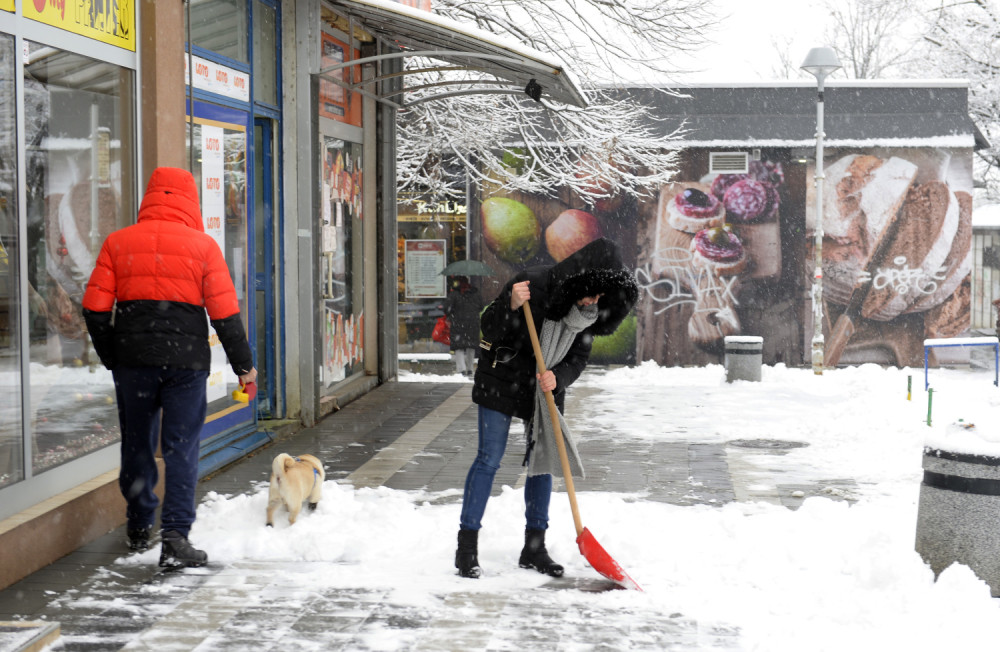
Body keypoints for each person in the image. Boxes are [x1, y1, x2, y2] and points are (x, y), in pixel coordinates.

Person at [82, 167, 257, 569]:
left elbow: (93, 308)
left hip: (134, 363)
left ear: (149, 198)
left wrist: (114, 355)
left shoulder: (118, 242)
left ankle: (140, 522)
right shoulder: (203, 247)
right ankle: (175, 536)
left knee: (137, 441)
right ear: (190, 201)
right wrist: (243, 366)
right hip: (186, 364)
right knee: (182, 449)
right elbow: (225, 314)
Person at [455, 237, 638, 579]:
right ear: (579, 282)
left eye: (600, 297)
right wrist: (509, 303)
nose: (593, 301)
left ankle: (534, 547)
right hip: (501, 377)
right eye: (591, 293)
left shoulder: (588, 315)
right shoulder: (533, 284)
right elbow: (488, 327)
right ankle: (466, 548)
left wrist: (559, 377)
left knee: (543, 463)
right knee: (489, 458)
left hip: (543, 388)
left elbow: (579, 358)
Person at [442, 275, 483, 377]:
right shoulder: (475, 293)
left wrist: (451, 315)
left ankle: (461, 369)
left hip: (458, 323)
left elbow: (447, 308)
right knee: (470, 346)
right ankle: (469, 369)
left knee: (459, 346)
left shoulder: (454, 294)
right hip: (473, 323)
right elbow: (481, 306)